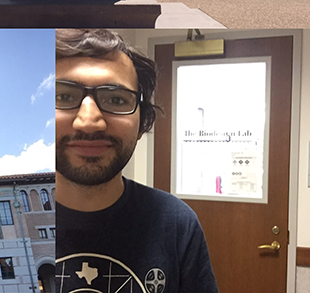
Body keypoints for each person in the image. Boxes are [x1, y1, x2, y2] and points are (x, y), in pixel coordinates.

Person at [55, 29, 218, 293]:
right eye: (63, 97)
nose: (89, 121)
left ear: (142, 123)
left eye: (116, 99)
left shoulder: (177, 224)